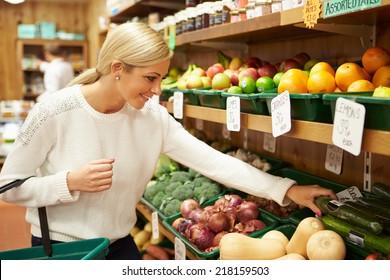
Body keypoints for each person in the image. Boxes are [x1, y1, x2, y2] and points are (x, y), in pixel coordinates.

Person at [0, 22, 336, 260]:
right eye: (150, 78)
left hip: (118, 247)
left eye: (161, 77)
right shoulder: (54, 111)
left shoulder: (151, 117)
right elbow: (9, 186)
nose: (158, 89)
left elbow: (212, 161)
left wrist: (286, 189)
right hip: (61, 250)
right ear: (118, 68)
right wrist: (68, 182)